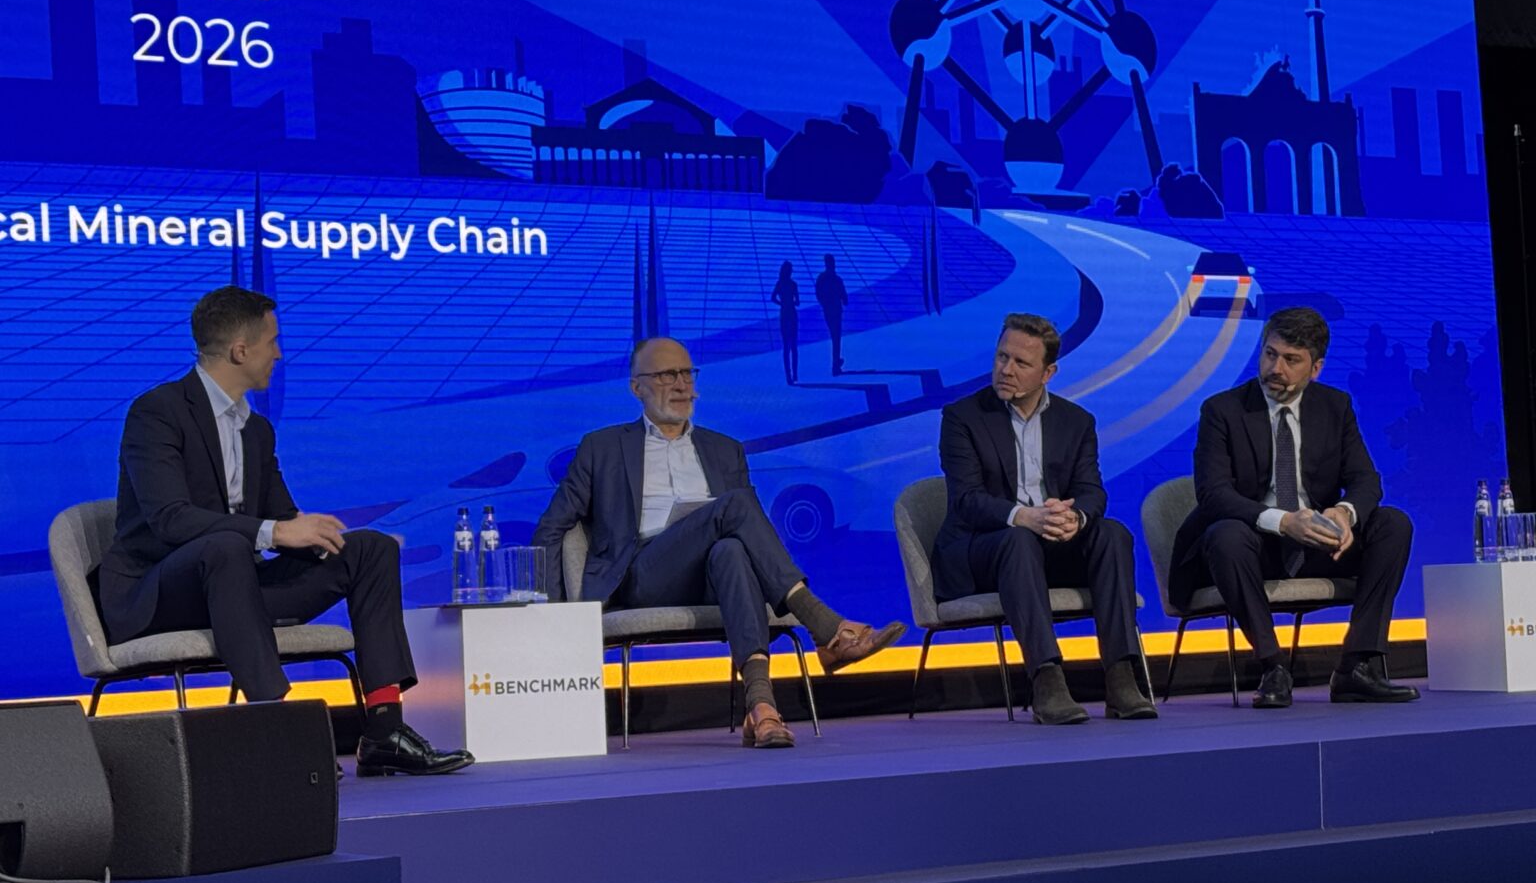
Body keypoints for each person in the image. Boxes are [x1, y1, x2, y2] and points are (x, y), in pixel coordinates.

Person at [98, 286, 474, 776]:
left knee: (370, 549)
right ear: (240, 351)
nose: (278, 354)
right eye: (272, 342)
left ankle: (384, 730)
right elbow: (171, 519)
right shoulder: (157, 412)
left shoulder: (257, 431)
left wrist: (321, 538)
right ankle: (282, 729)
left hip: (237, 589)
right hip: (160, 596)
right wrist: (276, 533)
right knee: (225, 548)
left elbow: (283, 520)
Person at [532, 337, 906, 747]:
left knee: (731, 551)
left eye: (687, 373)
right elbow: (551, 527)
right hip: (643, 576)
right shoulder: (602, 447)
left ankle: (762, 709)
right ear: (636, 387)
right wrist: (555, 616)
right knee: (736, 505)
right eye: (666, 375)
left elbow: (748, 533)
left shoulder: (725, 449)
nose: (681, 385)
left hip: (713, 576)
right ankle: (823, 625)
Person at [1171, 307, 1418, 708]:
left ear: (1315, 368)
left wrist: (1343, 513)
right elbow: (1213, 495)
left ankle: (1357, 665)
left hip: (1317, 545)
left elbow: (1365, 480)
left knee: (1393, 524)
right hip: (1253, 547)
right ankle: (1272, 667)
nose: (1276, 368)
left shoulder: (1335, 406)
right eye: (1270, 354)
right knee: (1226, 535)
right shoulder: (1222, 410)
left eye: (1291, 360)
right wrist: (1285, 522)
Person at [932, 314, 1157, 724]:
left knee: (1112, 534)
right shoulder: (962, 417)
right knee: (1018, 539)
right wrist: (1025, 517)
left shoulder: (1076, 422)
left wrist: (1075, 518)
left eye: (1021, 363)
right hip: (982, 551)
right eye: (1002, 357)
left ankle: (1122, 677)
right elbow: (967, 500)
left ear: (1048, 373)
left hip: (1049, 548)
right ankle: (1047, 679)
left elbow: (1092, 491)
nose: (1006, 370)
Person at [814, 253, 848, 375]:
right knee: (836, 337)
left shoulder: (821, 278)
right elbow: (845, 298)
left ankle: (836, 361)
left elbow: (818, 294)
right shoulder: (836, 279)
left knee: (835, 336)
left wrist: (824, 304)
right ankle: (835, 363)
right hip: (836, 311)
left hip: (828, 311)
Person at [770, 260, 799, 384]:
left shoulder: (780, 283)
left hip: (784, 314)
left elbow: (773, 297)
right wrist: (792, 302)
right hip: (792, 314)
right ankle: (795, 373)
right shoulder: (793, 284)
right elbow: (798, 301)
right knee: (794, 346)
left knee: (786, 346)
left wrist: (781, 303)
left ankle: (788, 375)